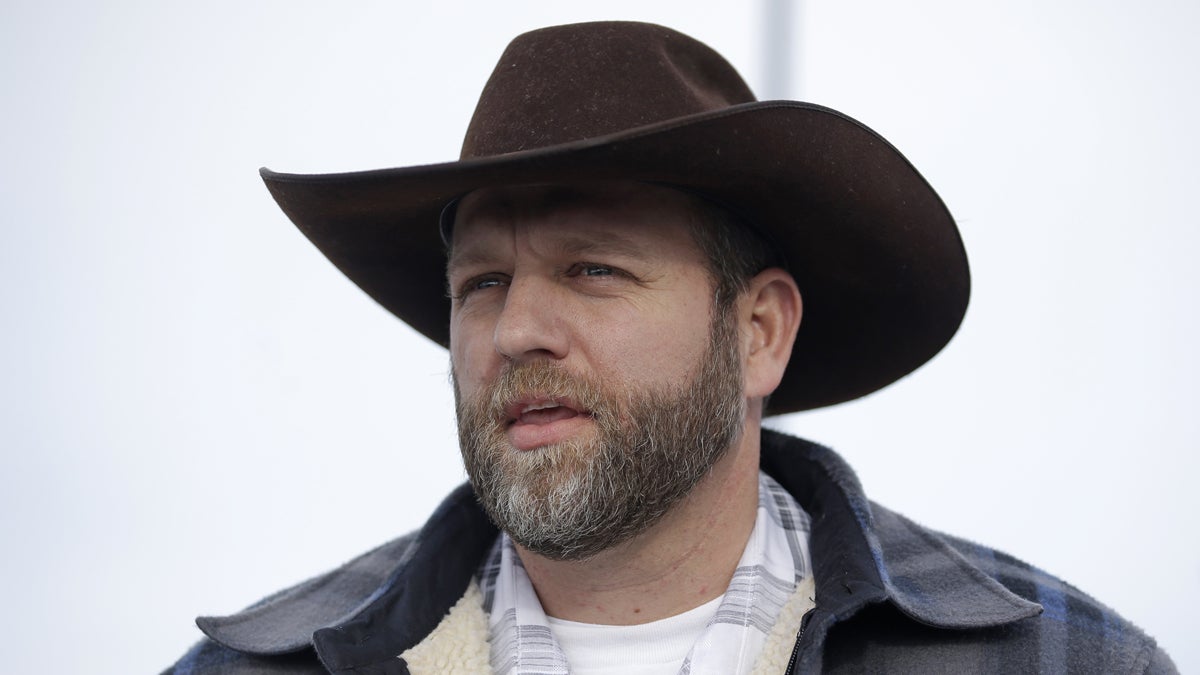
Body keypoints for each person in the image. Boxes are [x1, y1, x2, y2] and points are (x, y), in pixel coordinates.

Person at [165, 21, 1176, 674]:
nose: (516, 330)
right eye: (482, 283)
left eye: (594, 270)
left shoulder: (1061, 663)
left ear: (759, 332)